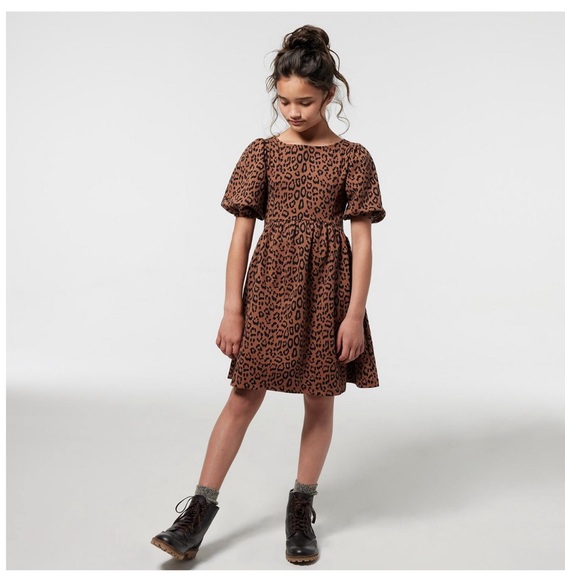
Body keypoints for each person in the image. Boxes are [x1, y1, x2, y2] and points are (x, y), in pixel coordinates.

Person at [151, 23, 386, 566]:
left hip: (328, 292)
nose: (293, 112)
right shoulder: (261, 153)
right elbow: (240, 237)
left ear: (330, 94)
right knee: (243, 395)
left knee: (320, 398)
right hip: (269, 290)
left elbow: (363, 245)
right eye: (283, 101)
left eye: (305, 101)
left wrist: (354, 315)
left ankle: (301, 508)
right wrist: (231, 309)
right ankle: (197, 513)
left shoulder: (353, 158)